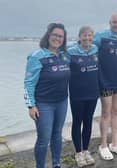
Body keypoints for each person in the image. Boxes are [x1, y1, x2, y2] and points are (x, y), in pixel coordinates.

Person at [24, 23, 70, 168]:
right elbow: (28, 83)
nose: (57, 38)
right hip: (44, 105)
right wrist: (31, 106)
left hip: (62, 102)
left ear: (64, 39)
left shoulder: (64, 55)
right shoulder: (37, 57)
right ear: (48, 36)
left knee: (57, 135)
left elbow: (83, 46)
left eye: (60, 36)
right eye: (55, 35)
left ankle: (56, 163)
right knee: (44, 139)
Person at [93, 14, 117, 160]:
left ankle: (114, 143)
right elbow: (86, 46)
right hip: (105, 81)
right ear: (110, 23)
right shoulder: (101, 37)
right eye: (114, 22)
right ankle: (103, 145)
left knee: (116, 112)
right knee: (106, 112)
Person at [67, 26, 99, 167]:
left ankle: (86, 150)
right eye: (84, 36)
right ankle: (78, 153)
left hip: (93, 93)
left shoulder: (95, 50)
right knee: (77, 122)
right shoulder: (70, 52)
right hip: (77, 94)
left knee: (88, 122)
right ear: (79, 37)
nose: (87, 38)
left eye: (90, 36)